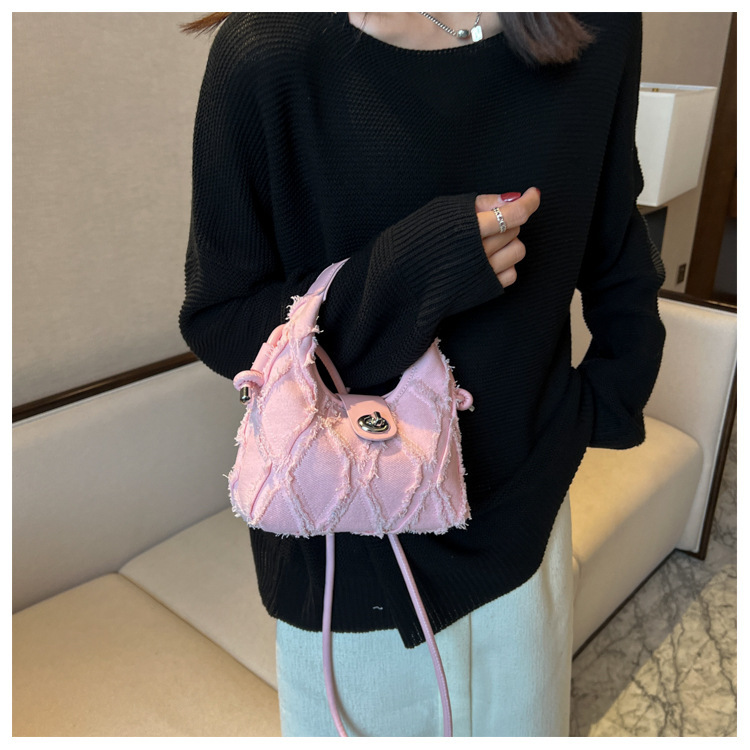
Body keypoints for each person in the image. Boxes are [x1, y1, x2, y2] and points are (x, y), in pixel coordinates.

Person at [179, 12, 666, 737]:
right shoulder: (268, 52)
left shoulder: (595, 26)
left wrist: (601, 404)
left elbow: (615, 244)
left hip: (525, 519)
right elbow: (221, 320)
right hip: (346, 544)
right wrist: (413, 270)